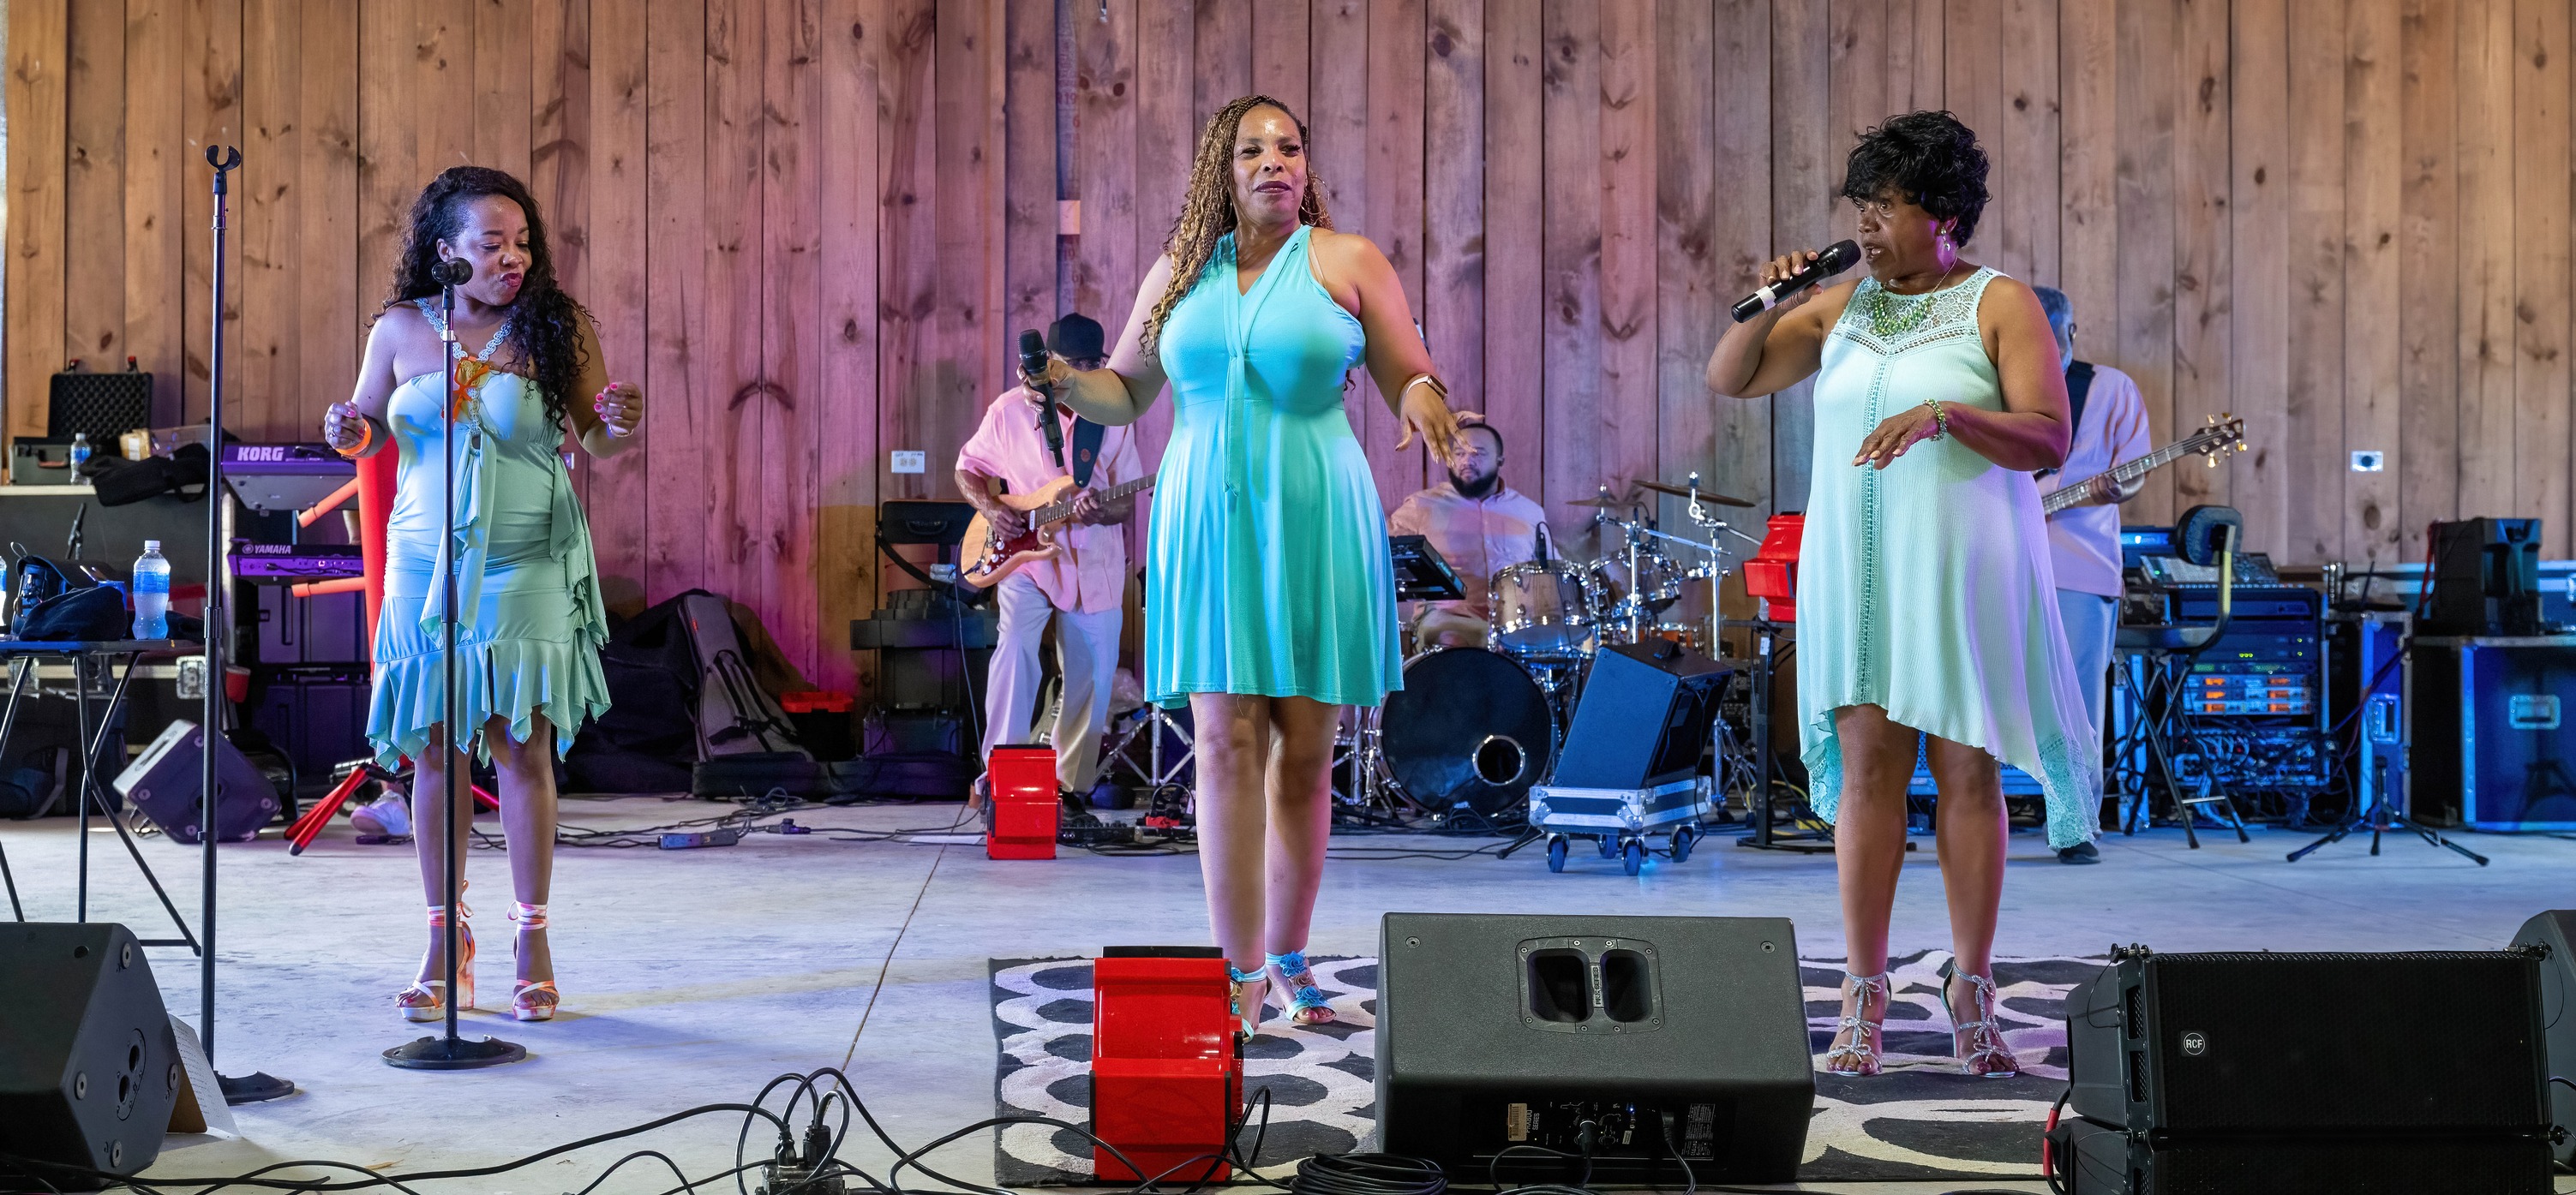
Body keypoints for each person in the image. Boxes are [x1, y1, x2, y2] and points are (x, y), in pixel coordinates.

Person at [1030, 94, 1465, 1035]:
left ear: (1307, 166)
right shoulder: (1180, 272)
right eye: (1253, 150)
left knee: (1305, 752)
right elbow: (1126, 390)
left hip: (1314, 509)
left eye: (1291, 147)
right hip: (1207, 514)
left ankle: (1295, 961)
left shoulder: (1346, 260)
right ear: (1220, 173)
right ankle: (1238, 972)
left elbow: (1406, 366)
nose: (1276, 161)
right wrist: (1067, 384)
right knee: (1225, 742)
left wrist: (1426, 397)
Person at [1704, 111, 2097, 1079]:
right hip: (1858, 569)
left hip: (1961, 565)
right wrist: (1771, 300)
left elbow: (2050, 439)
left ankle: (1971, 987)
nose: (1868, 226)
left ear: (1948, 216)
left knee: (1967, 775)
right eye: (1862, 207)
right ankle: (1864, 990)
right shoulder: (1841, 306)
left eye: (1887, 207)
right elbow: (1732, 376)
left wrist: (1948, 414)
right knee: (1870, 774)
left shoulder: (2000, 304)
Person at [324, 166, 639, 1025]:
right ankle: (442, 938)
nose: (514, 257)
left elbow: (601, 444)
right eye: (493, 243)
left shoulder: (556, 328)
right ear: (447, 251)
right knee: (433, 752)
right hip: (426, 560)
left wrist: (622, 421)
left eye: (523, 242)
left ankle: (530, 937)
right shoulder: (398, 329)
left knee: (522, 746)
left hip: (526, 560)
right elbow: (362, 424)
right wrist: (347, 428)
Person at [956, 314, 1143, 804]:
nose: (1081, 371)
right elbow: (968, 469)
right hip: (1027, 559)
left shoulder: (1110, 412)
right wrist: (992, 508)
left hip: (1095, 561)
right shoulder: (1007, 412)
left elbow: (1126, 502)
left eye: (1091, 363)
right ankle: (995, 780)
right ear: (1049, 365)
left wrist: (1101, 510)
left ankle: (1067, 789)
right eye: (1072, 363)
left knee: (1092, 677)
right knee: (1014, 656)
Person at [2030, 286, 2149, 866]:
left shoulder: (2110, 389)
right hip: (1999, 560)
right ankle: (1974, 812)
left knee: (2076, 697)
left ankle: (2074, 825)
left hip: (2079, 561)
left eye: (2050, 342)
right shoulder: (1992, 386)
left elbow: (2134, 469)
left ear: (2072, 335)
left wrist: (2115, 485)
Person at [1387, 423, 1550, 650]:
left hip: (1514, 623)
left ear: (1500, 461)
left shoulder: (1530, 512)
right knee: (1452, 640)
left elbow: (1552, 572)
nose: (1466, 461)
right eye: (1459, 453)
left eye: (1478, 454)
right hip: (1448, 619)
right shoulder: (1421, 506)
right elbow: (1383, 553)